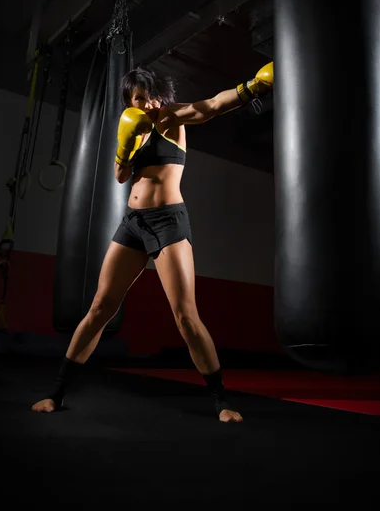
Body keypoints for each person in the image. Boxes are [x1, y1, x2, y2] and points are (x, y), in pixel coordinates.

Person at [32, 60, 274, 423]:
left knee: (185, 316)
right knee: (99, 307)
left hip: (168, 222)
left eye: (147, 97)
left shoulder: (172, 118)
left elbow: (210, 106)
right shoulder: (131, 125)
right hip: (132, 223)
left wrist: (250, 88)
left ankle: (221, 401)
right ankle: (56, 393)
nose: (143, 105)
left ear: (159, 95)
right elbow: (119, 175)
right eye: (135, 99)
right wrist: (125, 145)